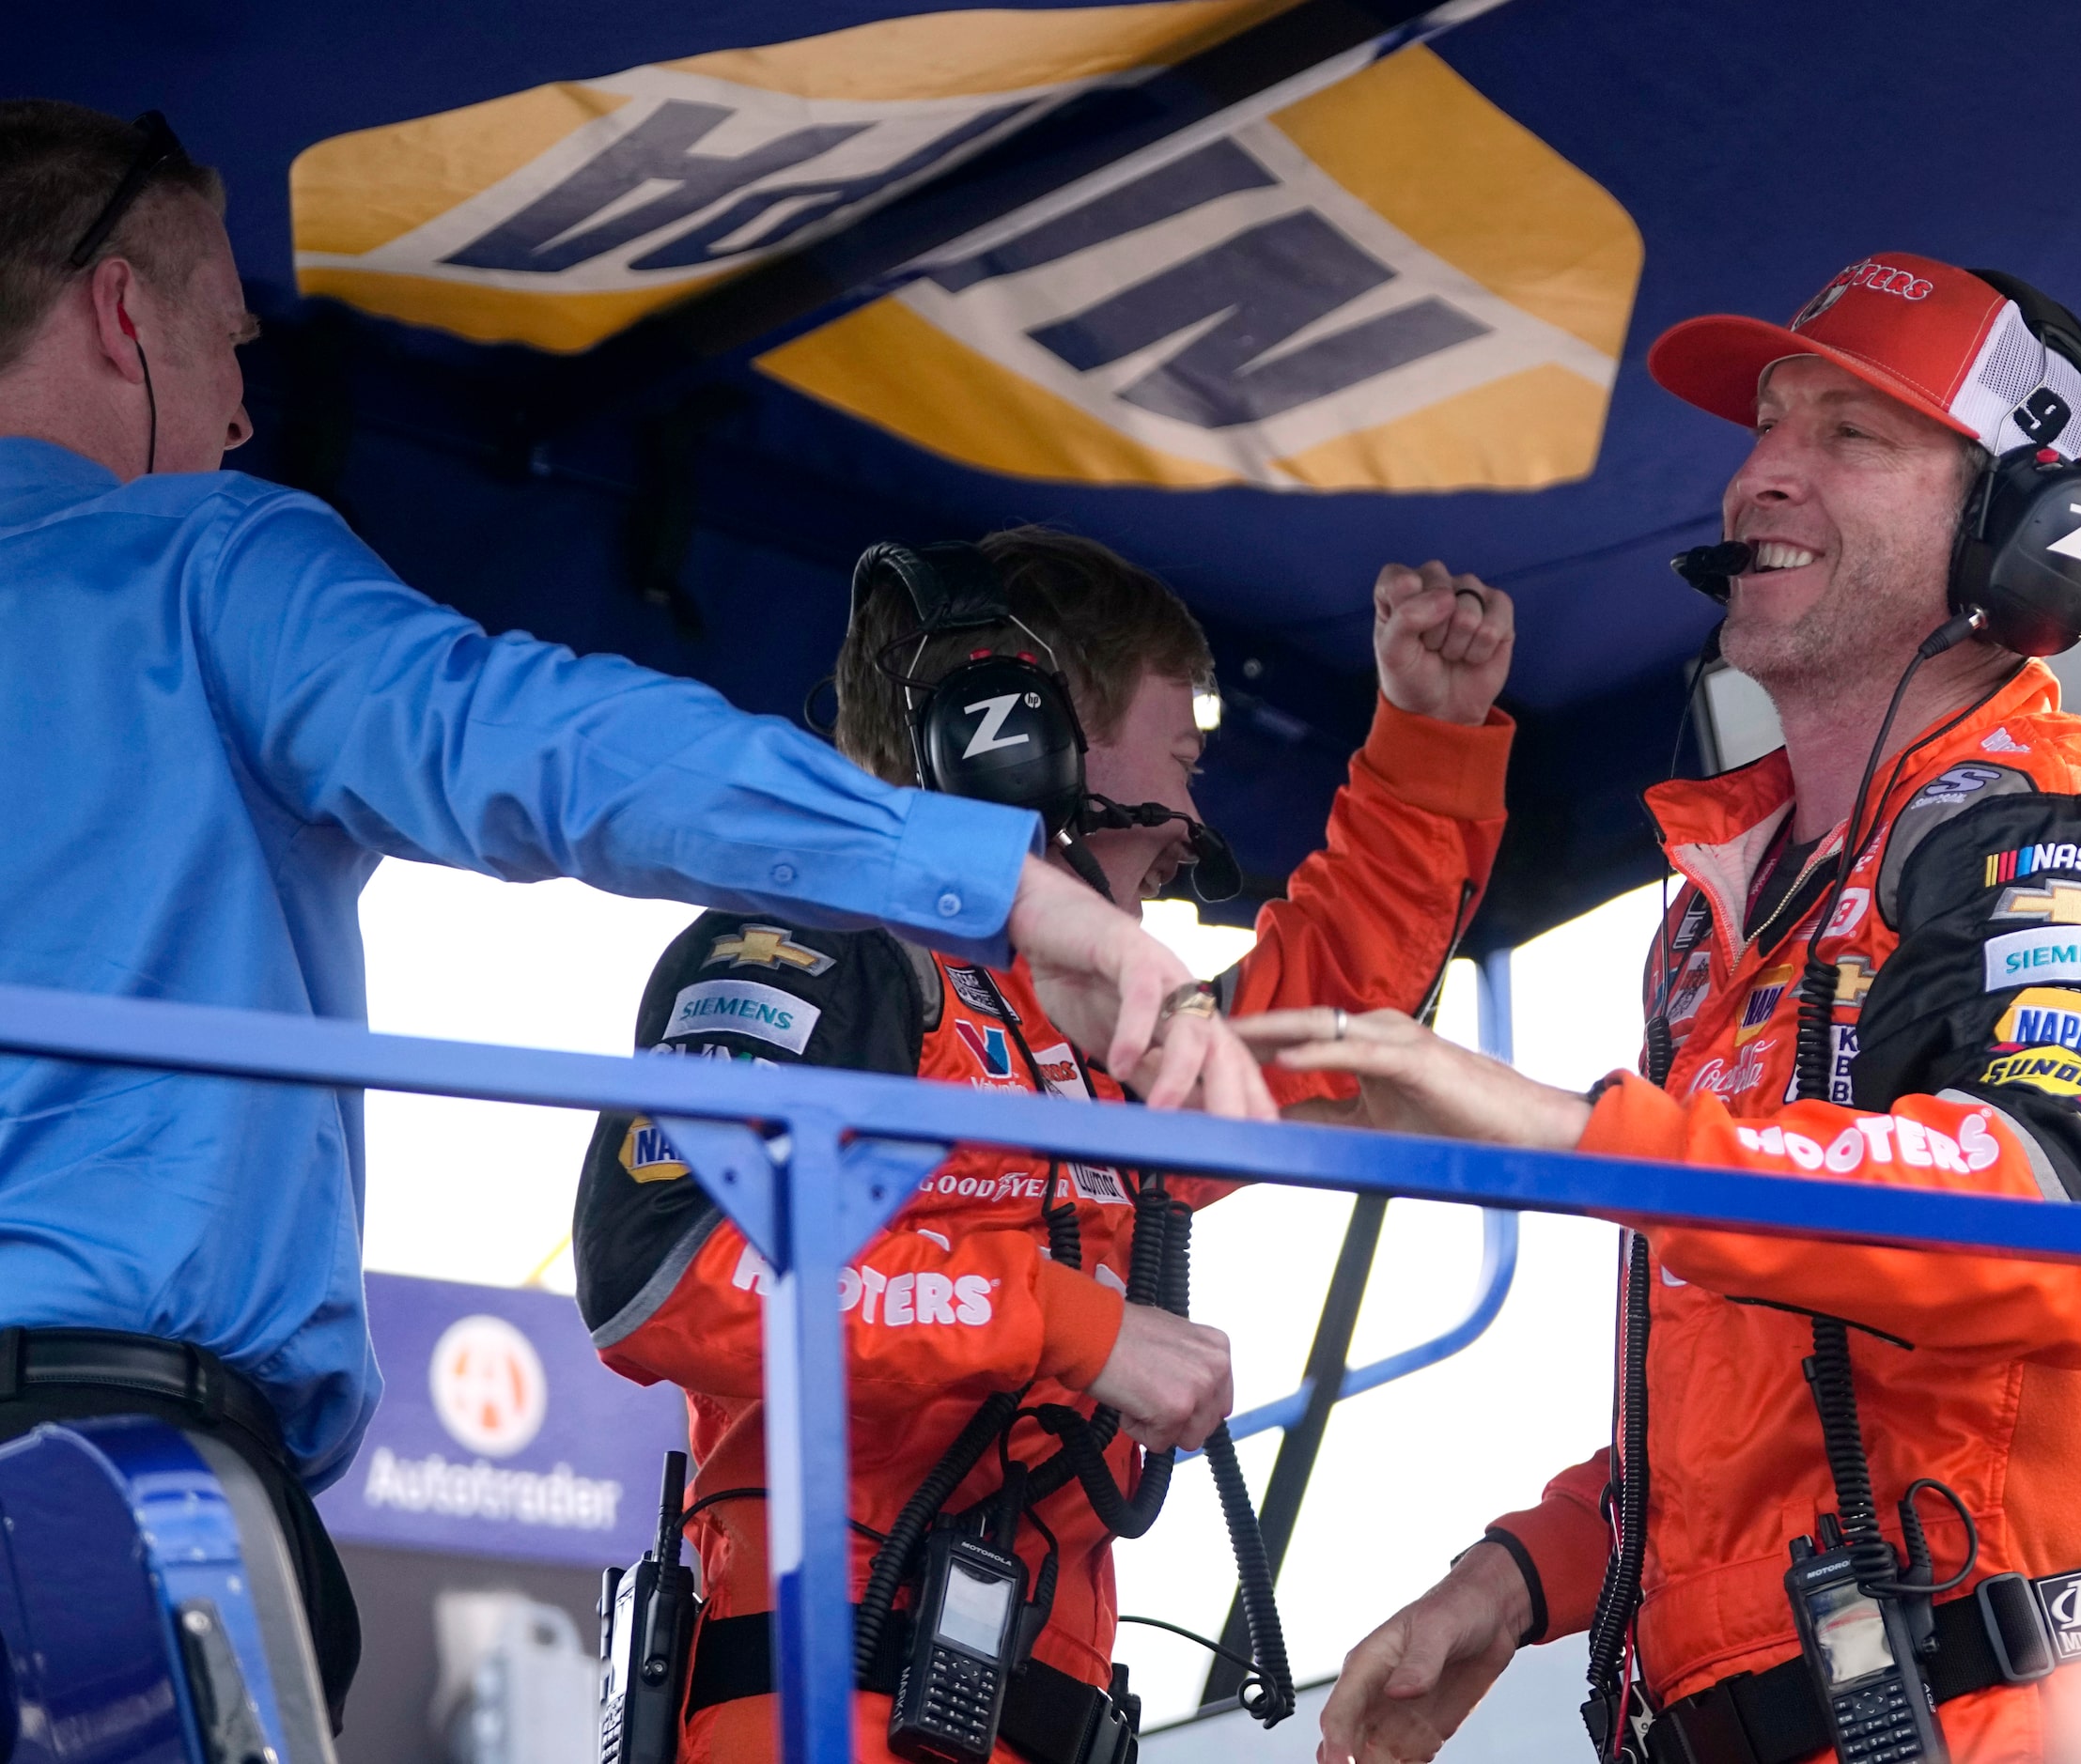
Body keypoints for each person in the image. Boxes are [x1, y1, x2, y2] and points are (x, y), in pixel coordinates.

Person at [0, 100, 1270, 1725]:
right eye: (229, 336)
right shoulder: (198, 562)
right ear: (123, 314)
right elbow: (545, 747)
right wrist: (1002, 889)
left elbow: (1297, 1058)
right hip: (114, 1484)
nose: (246, 408)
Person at [1242, 254, 2081, 1764]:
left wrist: (1574, 1133)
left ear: (2026, 535)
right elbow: (1765, 1412)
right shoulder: (1737, 909)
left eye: (1851, 436)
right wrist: (1519, 1577)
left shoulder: (2052, 836)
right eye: (1767, 427)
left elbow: (2040, 1220)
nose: (1759, 474)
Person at [572, 527, 1516, 1762]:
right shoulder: (826, 951)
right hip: (822, 1699)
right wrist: (1075, 1323)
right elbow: (665, 1274)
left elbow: (1325, 1023)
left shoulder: (1086, 1038)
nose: (1190, 816)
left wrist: (1427, 743)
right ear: (1024, 741)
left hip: (1022, 1719)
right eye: (1182, 757)